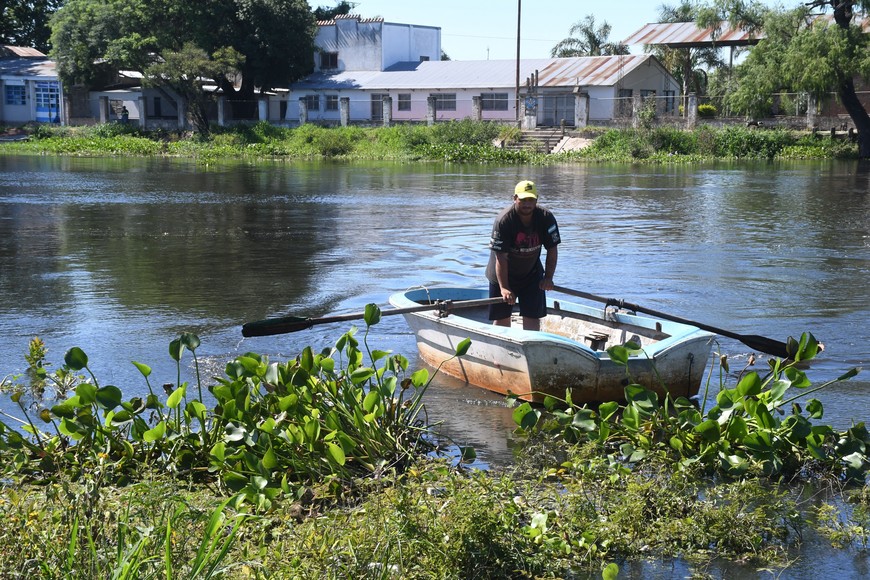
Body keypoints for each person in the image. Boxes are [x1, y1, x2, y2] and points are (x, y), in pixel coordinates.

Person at [485, 179, 560, 331]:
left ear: (536, 199)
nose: (527, 204)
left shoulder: (546, 217)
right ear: (515, 199)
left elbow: (552, 249)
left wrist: (548, 278)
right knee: (502, 318)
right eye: (523, 200)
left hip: (531, 273)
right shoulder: (504, 220)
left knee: (533, 316)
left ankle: (532, 346)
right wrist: (504, 288)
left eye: (531, 200)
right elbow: (501, 257)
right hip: (502, 274)